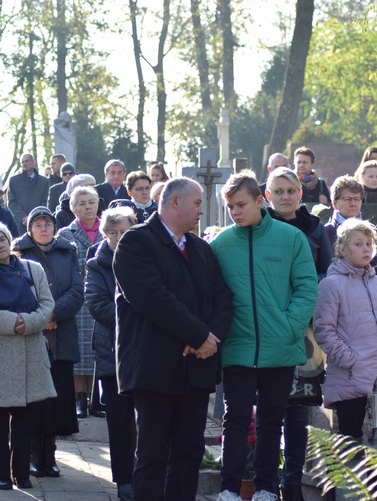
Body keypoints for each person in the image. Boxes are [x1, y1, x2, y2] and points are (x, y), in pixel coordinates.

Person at [114, 177, 233, 500]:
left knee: (189, 452)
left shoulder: (201, 249)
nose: (201, 210)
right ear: (175, 202)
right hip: (154, 368)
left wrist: (211, 339)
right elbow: (152, 298)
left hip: (196, 369)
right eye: (197, 203)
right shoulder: (136, 242)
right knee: (152, 455)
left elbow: (223, 299)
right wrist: (199, 335)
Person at [210, 171, 317, 501]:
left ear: (260, 201)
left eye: (240, 204)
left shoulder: (291, 238)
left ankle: (267, 489)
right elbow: (212, 295)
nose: (235, 212)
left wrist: (289, 328)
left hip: (280, 349)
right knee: (235, 421)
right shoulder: (220, 244)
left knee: (272, 423)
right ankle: (229, 488)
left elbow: (306, 287)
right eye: (229, 207)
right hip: (238, 348)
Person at [0, 221, 56, 490]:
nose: (0, 245)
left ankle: (22, 471)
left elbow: (47, 303)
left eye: (3, 239)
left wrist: (27, 323)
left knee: (26, 417)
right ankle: (1, 473)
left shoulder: (32, 269)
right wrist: (11, 321)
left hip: (29, 351)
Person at [263, 167, 331, 500]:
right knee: (269, 407)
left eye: (291, 191)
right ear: (268, 196)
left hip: (303, 328)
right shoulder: (259, 227)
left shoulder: (315, 229)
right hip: (267, 325)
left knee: (299, 409)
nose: (285, 197)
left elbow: (326, 272)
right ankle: (268, 478)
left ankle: (292, 482)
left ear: (300, 194)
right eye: (278, 191)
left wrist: (303, 292)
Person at [314, 218, 377, 438]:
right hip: (350, 377)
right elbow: (324, 330)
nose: (365, 249)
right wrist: (350, 359)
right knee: (351, 442)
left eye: (369, 244)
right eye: (358, 244)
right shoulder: (331, 284)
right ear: (343, 248)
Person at [13, 206, 83, 477]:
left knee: (57, 398)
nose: (43, 228)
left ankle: (50, 455)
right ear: (30, 229)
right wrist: (42, 317)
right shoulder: (19, 253)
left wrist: (55, 313)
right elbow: (18, 290)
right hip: (32, 334)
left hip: (61, 333)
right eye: (38, 224)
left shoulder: (68, 251)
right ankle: (33, 453)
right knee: (34, 399)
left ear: (55, 227)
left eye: (48, 224)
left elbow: (77, 290)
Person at [86, 206, 138, 501]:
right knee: (119, 422)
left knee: (149, 420)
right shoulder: (97, 264)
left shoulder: (147, 257)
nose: (119, 237)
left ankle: (147, 474)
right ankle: (124, 479)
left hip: (146, 352)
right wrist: (138, 314)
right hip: (113, 352)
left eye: (124, 231)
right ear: (104, 235)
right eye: (112, 233)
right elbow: (97, 304)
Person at [58, 186, 103, 419]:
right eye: (82, 203)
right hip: (78, 298)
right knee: (80, 350)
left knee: (99, 350)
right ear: (73, 208)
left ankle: (97, 398)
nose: (88, 207)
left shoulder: (109, 230)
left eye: (91, 202)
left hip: (103, 296)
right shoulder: (66, 234)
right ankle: (79, 398)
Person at [324, 175, 377, 290]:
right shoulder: (325, 233)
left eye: (357, 199)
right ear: (335, 203)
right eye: (347, 199)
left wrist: (373, 287)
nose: (353, 203)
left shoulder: (374, 233)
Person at [8, 153, 50, 234]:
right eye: (22, 162)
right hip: (19, 224)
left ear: (34, 162)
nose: (24, 164)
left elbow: (45, 201)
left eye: (27, 161)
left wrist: (35, 216)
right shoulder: (14, 180)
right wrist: (23, 217)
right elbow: (11, 202)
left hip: (39, 222)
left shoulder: (44, 181)